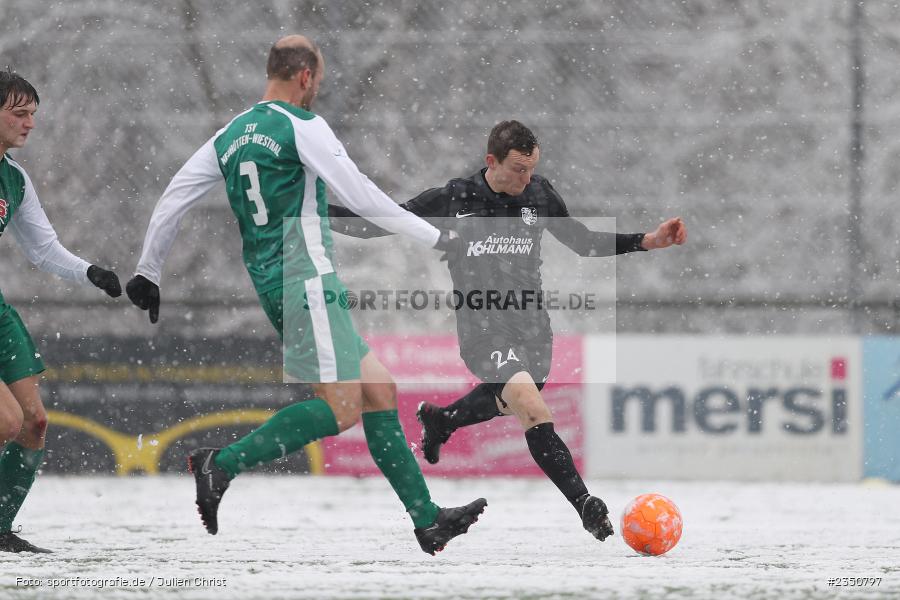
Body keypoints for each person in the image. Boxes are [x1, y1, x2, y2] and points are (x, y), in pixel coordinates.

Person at [126, 35, 484, 555]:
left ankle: (427, 520)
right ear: (305, 76)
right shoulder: (302, 125)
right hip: (307, 280)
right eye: (319, 79)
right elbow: (361, 195)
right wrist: (439, 238)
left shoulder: (229, 135)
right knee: (342, 409)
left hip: (278, 284)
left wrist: (148, 271)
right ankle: (220, 464)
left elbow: (173, 199)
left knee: (378, 390)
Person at [328, 120, 687, 543]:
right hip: (484, 328)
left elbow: (582, 241)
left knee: (514, 397)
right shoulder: (456, 197)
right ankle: (585, 504)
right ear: (491, 162)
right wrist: (314, 210)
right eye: (518, 169)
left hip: (534, 327)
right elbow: (382, 221)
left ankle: (443, 420)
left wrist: (647, 240)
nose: (526, 178)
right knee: (531, 408)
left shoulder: (540, 194)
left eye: (531, 169)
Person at [0, 71, 122, 553]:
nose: (30, 123)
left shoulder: (15, 178)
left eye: (33, 114)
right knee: (5, 421)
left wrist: (91, 272)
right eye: (18, 113)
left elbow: (43, 249)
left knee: (33, 423)